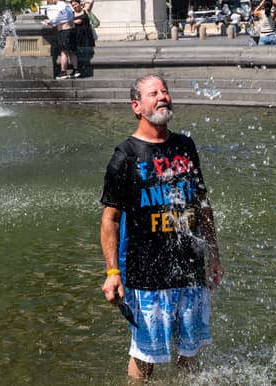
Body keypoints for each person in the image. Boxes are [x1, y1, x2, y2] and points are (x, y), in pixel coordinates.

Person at [100, 74, 223, 381]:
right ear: (137, 107)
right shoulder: (126, 156)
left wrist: (214, 256)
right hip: (147, 276)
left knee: (190, 352)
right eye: (153, 94)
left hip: (190, 268)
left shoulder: (185, 145)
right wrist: (113, 272)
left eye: (164, 91)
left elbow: (202, 204)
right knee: (145, 357)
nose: (162, 97)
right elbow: (110, 219)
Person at [43, 0, 78, 78]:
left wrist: (49, 21)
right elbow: (69, 16)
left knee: (64, 52)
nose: (52, 0)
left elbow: (55, 19)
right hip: (72, 30)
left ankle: (63, 72)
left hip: (64, 31)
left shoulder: (59, 6)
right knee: (72, 52)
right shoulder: (68, 5)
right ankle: (76, 71)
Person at [71, 0, 95, 76]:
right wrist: (75, 22)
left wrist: (82, 1)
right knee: (78, 52)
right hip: (77, 35)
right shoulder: (71, 13)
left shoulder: (85, 10)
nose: (74, 6)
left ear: (79, 4)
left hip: (86, 35)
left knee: (87, 51)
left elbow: (91, 1)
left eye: (75, 4)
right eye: (73, 5)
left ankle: (86, 69)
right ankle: (79, 69)